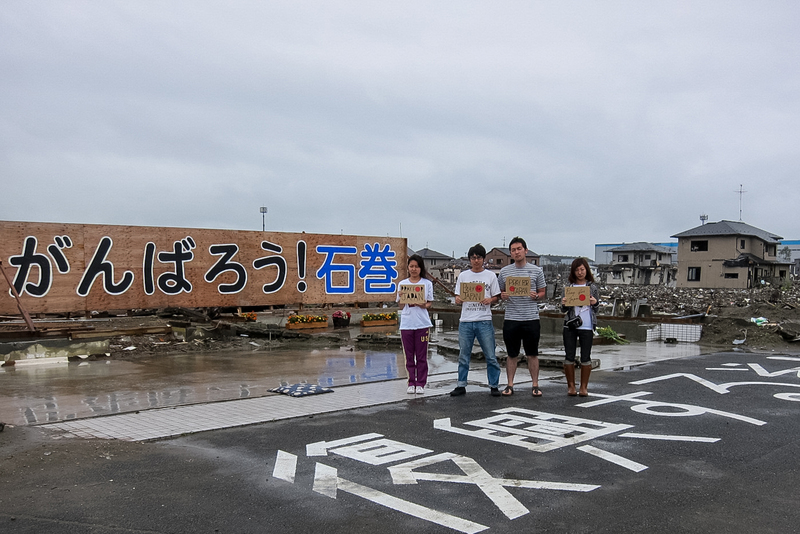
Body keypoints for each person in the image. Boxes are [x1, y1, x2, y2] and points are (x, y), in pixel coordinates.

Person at [450, 244, 502, 397]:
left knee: (490, 355)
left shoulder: (490, 276)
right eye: (473, 258)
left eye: (479, 257)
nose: (476, 260)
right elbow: (457, 297)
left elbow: (497, 297)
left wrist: (490, 300)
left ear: (483, 259)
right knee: (463, 355)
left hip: (484, 320)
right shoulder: (464, 276)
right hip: (466, 320)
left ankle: (494, 385)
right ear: (470, 259)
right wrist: (458, 299)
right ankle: (461, 384)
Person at [497, 237, 547, 397]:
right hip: (511, 318)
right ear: (510, 253)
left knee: (532, 353)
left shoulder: (536, 271)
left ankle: (535, 385)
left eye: (519, 249)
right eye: (513, 250)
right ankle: (510, 385)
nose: (516, 252)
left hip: (531, 318)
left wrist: (536, 296)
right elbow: (498, 293)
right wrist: (502, 296)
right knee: (511, 354)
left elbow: (543, 292)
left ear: (525, 250)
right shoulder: (504, 272)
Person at [561, 257, 600, 397]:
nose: (580, 272)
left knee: (586, 356)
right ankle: (571, 386)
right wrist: (564, 303)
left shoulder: (592, 288)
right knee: (569, 355)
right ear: (573, 271)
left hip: (587, 325)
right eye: (577, 270)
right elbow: (562, 310)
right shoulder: (569, 287)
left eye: (582, 269)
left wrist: (595, 303)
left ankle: (584, 387)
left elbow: (596, 309)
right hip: (570, 325)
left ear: (586, 270)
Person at [397, 254, 434, 395]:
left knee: (421, 355)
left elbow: (429, 303)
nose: (414, 269)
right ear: (408, 267)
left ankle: (421, 383)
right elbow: (400, 306)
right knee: (408, 355)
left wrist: (423, 304)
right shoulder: (402, 284)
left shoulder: (427, 284)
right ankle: (411, 381)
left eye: (416, 266)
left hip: (422, 323)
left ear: (420, 268)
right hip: (406, 324)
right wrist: (401, 296)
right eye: (411, 266)